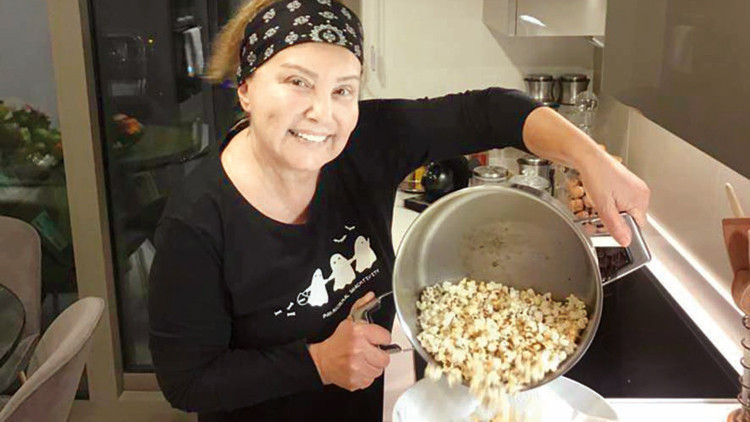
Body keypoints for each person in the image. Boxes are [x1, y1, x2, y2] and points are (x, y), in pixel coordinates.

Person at [147, 1, 650, 421]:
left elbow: (494, 110)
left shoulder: (366, 141)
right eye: (297, 82)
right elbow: (187, 382)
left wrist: (592, 159)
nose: (323, 113)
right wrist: (317, 363)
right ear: (246, 88)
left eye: (343, 89)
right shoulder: (198, 221)